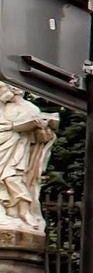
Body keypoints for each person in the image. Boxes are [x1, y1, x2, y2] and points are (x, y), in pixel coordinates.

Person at [0, 84, 57, 233]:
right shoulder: (2, 106)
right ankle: (12, 212)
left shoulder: (30, 108)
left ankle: (23, 212)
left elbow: (41, 138)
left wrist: (43, 127)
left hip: (18, 149)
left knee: (12, 178)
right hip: (4, 144)